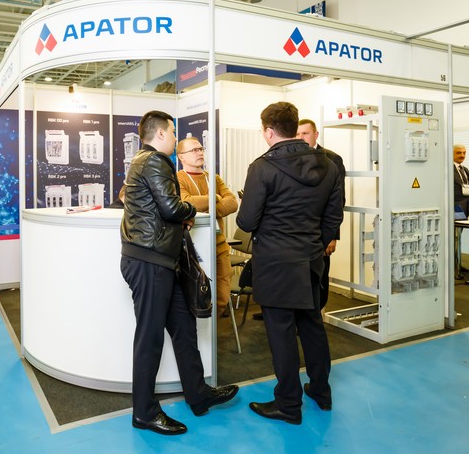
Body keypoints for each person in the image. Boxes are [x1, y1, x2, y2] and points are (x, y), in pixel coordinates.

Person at [120, 110, 238, 436]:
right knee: (150, 337)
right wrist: (189, 210)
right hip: (150, 262)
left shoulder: (144, 161)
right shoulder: (155, 161)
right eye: (172, 132)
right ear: (160, 134)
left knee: (184, 328)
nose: (174, 138)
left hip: (161, 260)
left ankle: (198, 394)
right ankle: (144, 412)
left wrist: (182, 210)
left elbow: (163, 207)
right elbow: (172, 206)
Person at [237, 102, 343, 425]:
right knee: (312, 326)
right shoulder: (329, 165)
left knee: (281, 333)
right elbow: (333, 217)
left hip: (275, 263)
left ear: (269, 131)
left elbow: (246, 220)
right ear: (294, 127)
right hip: (310, 260)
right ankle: (321, 392)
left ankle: (288, 404)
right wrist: (314, 245)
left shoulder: (262, 167)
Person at [176, 136, 238, 317]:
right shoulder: (178, 179)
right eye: (194, 150)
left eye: (201, 149)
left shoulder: (214, 178)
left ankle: (213, 330)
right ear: (181, 157)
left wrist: (205, 208)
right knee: (196, 295)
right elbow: (186, 202)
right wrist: (216, 198)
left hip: (219, 245)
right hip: (193, 247)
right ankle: (199, 334)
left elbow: (232, 203)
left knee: (222, 295)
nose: (200, 153)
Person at [296, 119, 346, 310]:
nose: (301, 138)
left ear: (316, 135)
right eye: (297, 134)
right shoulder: (294, 159)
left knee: (320, 276)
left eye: (305, 133)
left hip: (321, 231)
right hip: (299, 231)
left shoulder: (332, 159)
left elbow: (338, 201)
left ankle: (317, 314)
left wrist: (333, 236)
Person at [453, 144, 469, 217]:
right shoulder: (447, 168)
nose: (462, 155)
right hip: (454, 207)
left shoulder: (465, 169)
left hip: (466, 207)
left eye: (464, 153)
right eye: (459, 153)